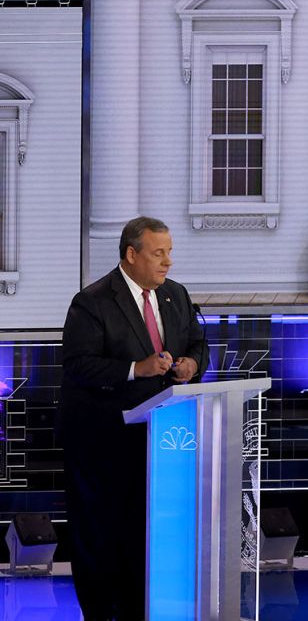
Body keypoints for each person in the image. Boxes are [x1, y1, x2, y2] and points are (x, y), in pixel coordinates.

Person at [59, 217, 209, 621]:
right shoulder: (92, 302)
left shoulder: (175, 295)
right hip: (102, 441)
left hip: (162, 438)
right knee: (102, 534)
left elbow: (197, 341)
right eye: (159, 253)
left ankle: (141, 607)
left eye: (170, 252)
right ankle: (100, 612)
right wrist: (133, 369)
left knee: (145, 532)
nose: (168, 262)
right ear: (131, 254)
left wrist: (192, 363)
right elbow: (76, 365)